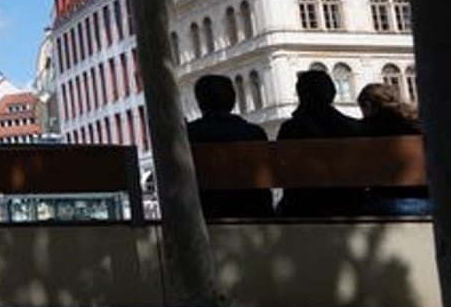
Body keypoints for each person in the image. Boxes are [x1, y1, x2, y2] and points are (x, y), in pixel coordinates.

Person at [276, 70, 364, 216]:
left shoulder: (291, 128)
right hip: (349, 204)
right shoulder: (353, 127)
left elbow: (280, 171)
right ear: (332, 94)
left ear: (301, 95)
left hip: (301, 206)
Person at [185, 74, 273, 219]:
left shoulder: (188, 135)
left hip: (206, 214)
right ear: (233, 100)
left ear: (200, 102)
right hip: (254, 213)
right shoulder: (253, 133)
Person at [357, 82, 431, 216]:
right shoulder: (417, 124)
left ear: (368, 105)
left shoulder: (365, 129)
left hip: (386, 202)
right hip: (427, 200)